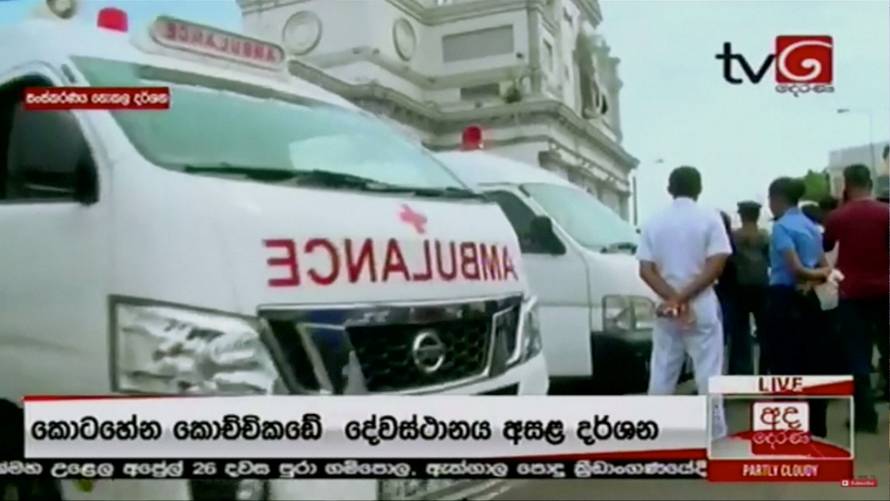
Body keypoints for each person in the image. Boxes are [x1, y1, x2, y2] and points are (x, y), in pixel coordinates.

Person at [636, 166, 731, 438]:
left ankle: (656, 433)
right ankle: (714, 433)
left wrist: (673, 298)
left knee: (663, 371)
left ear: (669, 189)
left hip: (667, 308)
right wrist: (685, 297)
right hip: (701, 304)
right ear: (699, 189)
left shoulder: (654, 222)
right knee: (708, 372)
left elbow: (645, 270)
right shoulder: (710, 219)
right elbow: (716, 265)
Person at [764, 177, 833, 438]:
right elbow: (825, 266)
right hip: (809, 299)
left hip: (782, 298)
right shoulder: (811, 226)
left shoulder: (781, 227)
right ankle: (818, 426)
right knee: (814, 361)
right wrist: (814, 277)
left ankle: (786, 429)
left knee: (783, 363)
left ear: (777, 199)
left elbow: (793, 267)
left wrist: (805, 276)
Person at [824, 165, 890, 431]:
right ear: (871, 183)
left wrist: (842, 206)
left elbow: (827, 245)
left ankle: (865, 417)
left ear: (846, 185)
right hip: (885, 290)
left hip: (851, 294)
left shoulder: (838, 216)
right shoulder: (886, 213)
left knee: (858, 355)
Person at [730, 201, 770, 375]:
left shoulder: (733, 237)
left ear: (741, 215)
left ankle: (742, 373)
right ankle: (765, 371)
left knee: (740, 332)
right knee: (766, 332)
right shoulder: (764, 236)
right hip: (762, 286)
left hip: (739, 287)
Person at [715, 211, 749, 375]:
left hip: (722, 294)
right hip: (732, 293)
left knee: (718, 338)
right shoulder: (731, 243)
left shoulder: (718, 245)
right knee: (735, 337)